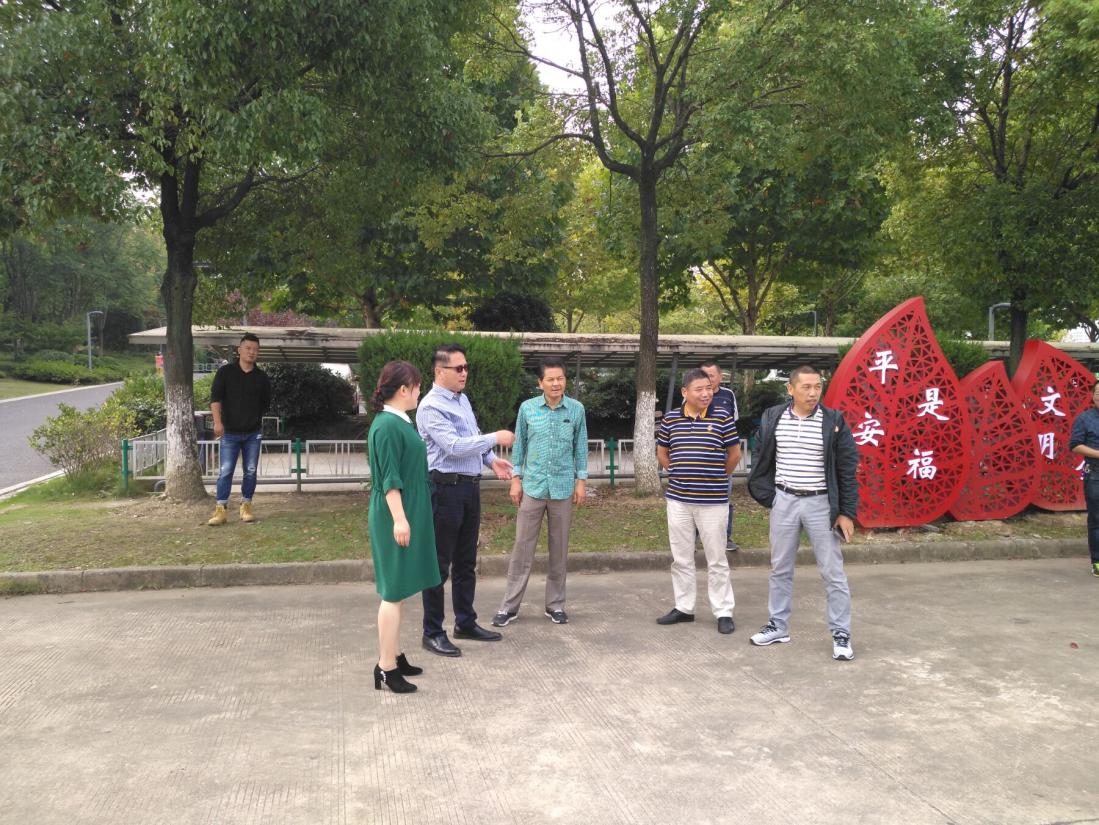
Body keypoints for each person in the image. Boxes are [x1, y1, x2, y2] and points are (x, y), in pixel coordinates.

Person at [746, 365, 857, 661]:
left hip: (821, 504)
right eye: (806, 387)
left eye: (817, 386)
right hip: (784, 501)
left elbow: (847, 468)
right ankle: (778, 625)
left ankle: (841, 633)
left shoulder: (833, 420)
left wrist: (846, 512)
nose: (813, 392)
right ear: (790, 389)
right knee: (780, 568)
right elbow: (761, 454)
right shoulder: (774, 417)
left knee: (832, 572)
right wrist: (771, 495)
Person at [416, 344, 514, 656]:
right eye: (458, 368)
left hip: (469, 488)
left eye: (466, 367)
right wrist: (495, 438)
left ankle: (465, 622)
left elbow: (472, 440)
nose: (464, 373)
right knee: (438, 565)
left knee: (466, 561)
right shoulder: (431, 407)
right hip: (445, 490)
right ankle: (432, 632)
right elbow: (454, 446)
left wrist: (491, 460)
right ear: (439, 371)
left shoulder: (462, 400)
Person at [492, 358, 589, 628]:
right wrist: (516, 480)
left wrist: (581, 482)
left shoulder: (576, 409)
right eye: (550, 379)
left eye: (560, 378)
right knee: (522, 548)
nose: (556, 383)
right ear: (540, 383)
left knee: (559, 549)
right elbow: (520, 446)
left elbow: (580, 447)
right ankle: (509, 607)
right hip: (532, 488)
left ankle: (555, 605)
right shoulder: (528, 408)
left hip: (562, 488)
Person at [367, 361, 441, 694]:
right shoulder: (387, 426)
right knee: (393, 593)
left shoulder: (398, 421)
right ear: (403, 389)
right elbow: (389, 479)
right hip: (395, 513)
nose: (419, 391)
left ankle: (395, 654)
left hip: (407, 510)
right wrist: (399, 518)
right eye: (417, 386)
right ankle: (386, 667)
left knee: (399, 590)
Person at [655, 368, 740, 635]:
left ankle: (723, 611)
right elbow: (662, 452)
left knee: (717, 559)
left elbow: (734, 454)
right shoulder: (671, 419)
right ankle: (684, 608)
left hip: (713, 501)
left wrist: (717, 476)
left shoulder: (722, 416)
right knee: (681, 557)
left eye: (708, 388)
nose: (706, 394)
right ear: (685, 392)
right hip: (679, 501)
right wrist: (676, 471)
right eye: (699, 389)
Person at [207, 333, 272, 526]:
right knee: (225, 471)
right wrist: (217, 423)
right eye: (248, 348)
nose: (252, 352)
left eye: (255, 349)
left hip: (253, 433)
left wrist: (253, 417)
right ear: (239, 350)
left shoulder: (262, 377)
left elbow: (265, 403)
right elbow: (215, 399)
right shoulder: (225, 372)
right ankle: (221, 509)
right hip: (229, 433)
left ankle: (246, 506)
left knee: (250, 471)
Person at [700, 360, 741, 551]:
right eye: (704, 375)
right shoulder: (693, 394)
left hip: (723, 454)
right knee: (695, 497)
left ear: (720, 376)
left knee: (724, 497)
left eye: (711, 375)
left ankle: (725, 537)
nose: (708, 379)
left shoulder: (728, 395)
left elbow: (733, 422)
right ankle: (694, 537)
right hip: (699, 455)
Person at [1069, 379, 1099, 578]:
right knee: (1097, 519)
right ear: (1092, 396)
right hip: (1095, 474)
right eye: (1098, 392)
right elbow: (1075, 445)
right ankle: (1097, 561)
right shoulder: (1084, 418)